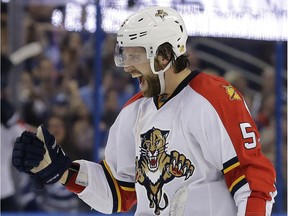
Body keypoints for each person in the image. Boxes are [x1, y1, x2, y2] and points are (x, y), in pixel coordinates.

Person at [12, 6, 277, 216]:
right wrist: (64, 172)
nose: (126, 66)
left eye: (135, 56)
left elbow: (253, 181)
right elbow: (119, 192)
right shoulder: (134, 111)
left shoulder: (215, 97)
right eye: (124, 56)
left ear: (164, 56)